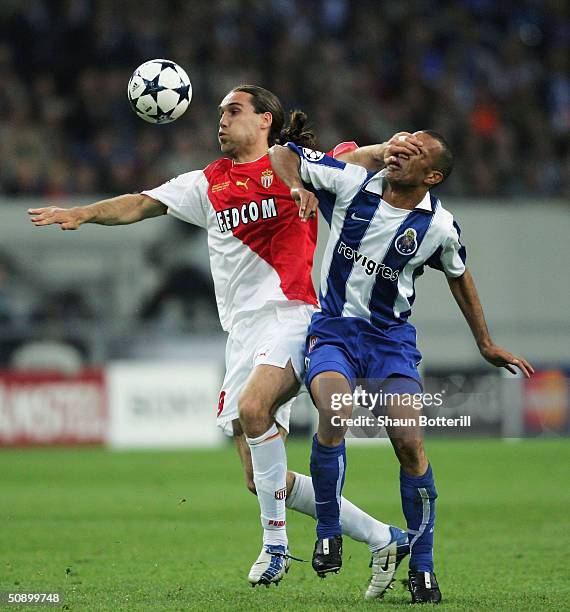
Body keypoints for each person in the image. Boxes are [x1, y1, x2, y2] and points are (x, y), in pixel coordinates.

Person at [28, 85, 424, 593]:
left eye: (233, 111)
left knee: (254, 407)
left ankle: (276, 548)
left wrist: (388, 148)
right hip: (242, 333)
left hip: (293, 316)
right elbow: (139, 204)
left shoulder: (296, 167)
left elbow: (356, 156)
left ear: (265, 121)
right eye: (219, 113)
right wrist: (81, 213)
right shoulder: (207, 183)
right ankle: (383, 537)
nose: (221, 120)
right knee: (263, 480)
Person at [268, 131, 534, 603]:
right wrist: (296, 186)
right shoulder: (352, 184)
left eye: (413, 153)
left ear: (432, 176)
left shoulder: (439, 227)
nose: (398, 152)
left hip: (390, 343)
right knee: (335, 413)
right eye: (399, 145)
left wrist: (485, 342)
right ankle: (328, 529)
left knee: (410, 443)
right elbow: (282, 152)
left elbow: (460, 276)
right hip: (334, 330)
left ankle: (424, 564)